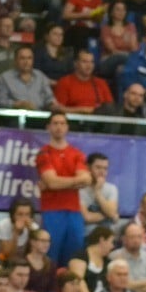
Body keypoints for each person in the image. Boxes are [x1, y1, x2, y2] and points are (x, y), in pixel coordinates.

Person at [36, 112, 90, 267]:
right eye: (55, 123)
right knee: (50, 255)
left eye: (62, 123)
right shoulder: (43, 153)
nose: (59, 127)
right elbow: (52, 182)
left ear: (67, 127)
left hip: (74, 211)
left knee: (74, 257)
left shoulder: (76, 154)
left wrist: (57, 183)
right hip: (52, 211)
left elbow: (86, 179)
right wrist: (75, 182)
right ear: (48, 127)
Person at [79, 153, 119, 235]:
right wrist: (109, 216)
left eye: (105, 168)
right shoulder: (80, 189)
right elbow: (87, 217)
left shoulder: (111, 188)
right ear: (88, 168)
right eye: (98, 167)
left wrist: (97, 192)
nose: (102, 172)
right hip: (87, 232)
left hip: (107, 231)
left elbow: (111, 212)